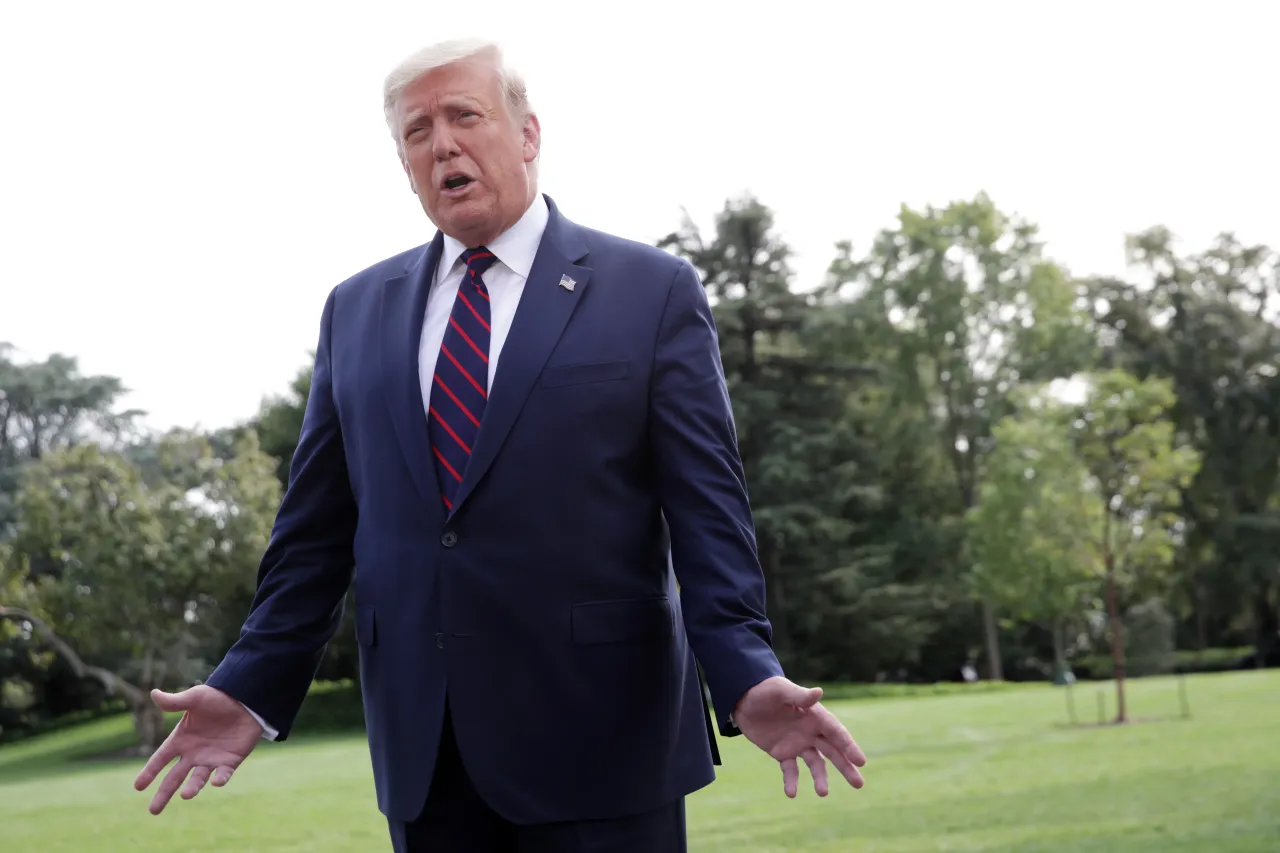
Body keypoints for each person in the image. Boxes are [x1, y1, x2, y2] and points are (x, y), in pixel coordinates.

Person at [133, 38, 867, 852]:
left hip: (605, 745)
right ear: (404, 165)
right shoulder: (355, 311)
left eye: (464, 116)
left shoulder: (651, 292)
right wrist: (251, 684)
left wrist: (745, 669)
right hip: (427, 758)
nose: (441, 142)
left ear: (527, 133)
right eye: (416, 131)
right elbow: (313, 538)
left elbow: (709, 513)